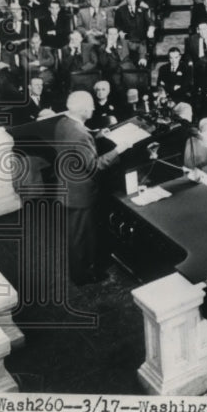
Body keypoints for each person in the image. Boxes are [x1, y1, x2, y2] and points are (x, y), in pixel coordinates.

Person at [53, 90, 128, 284]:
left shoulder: (64, 123)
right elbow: (94, 166)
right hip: (79, 193)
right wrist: (119, 150)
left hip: (67, 186)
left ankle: (82, 270)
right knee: (81, 237)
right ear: (82, 110)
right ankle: (82, 276)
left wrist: (97, 135)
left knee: (77, 234)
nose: (94, 108)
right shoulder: (79, 134)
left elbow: (78, 146)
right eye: (91, 106)